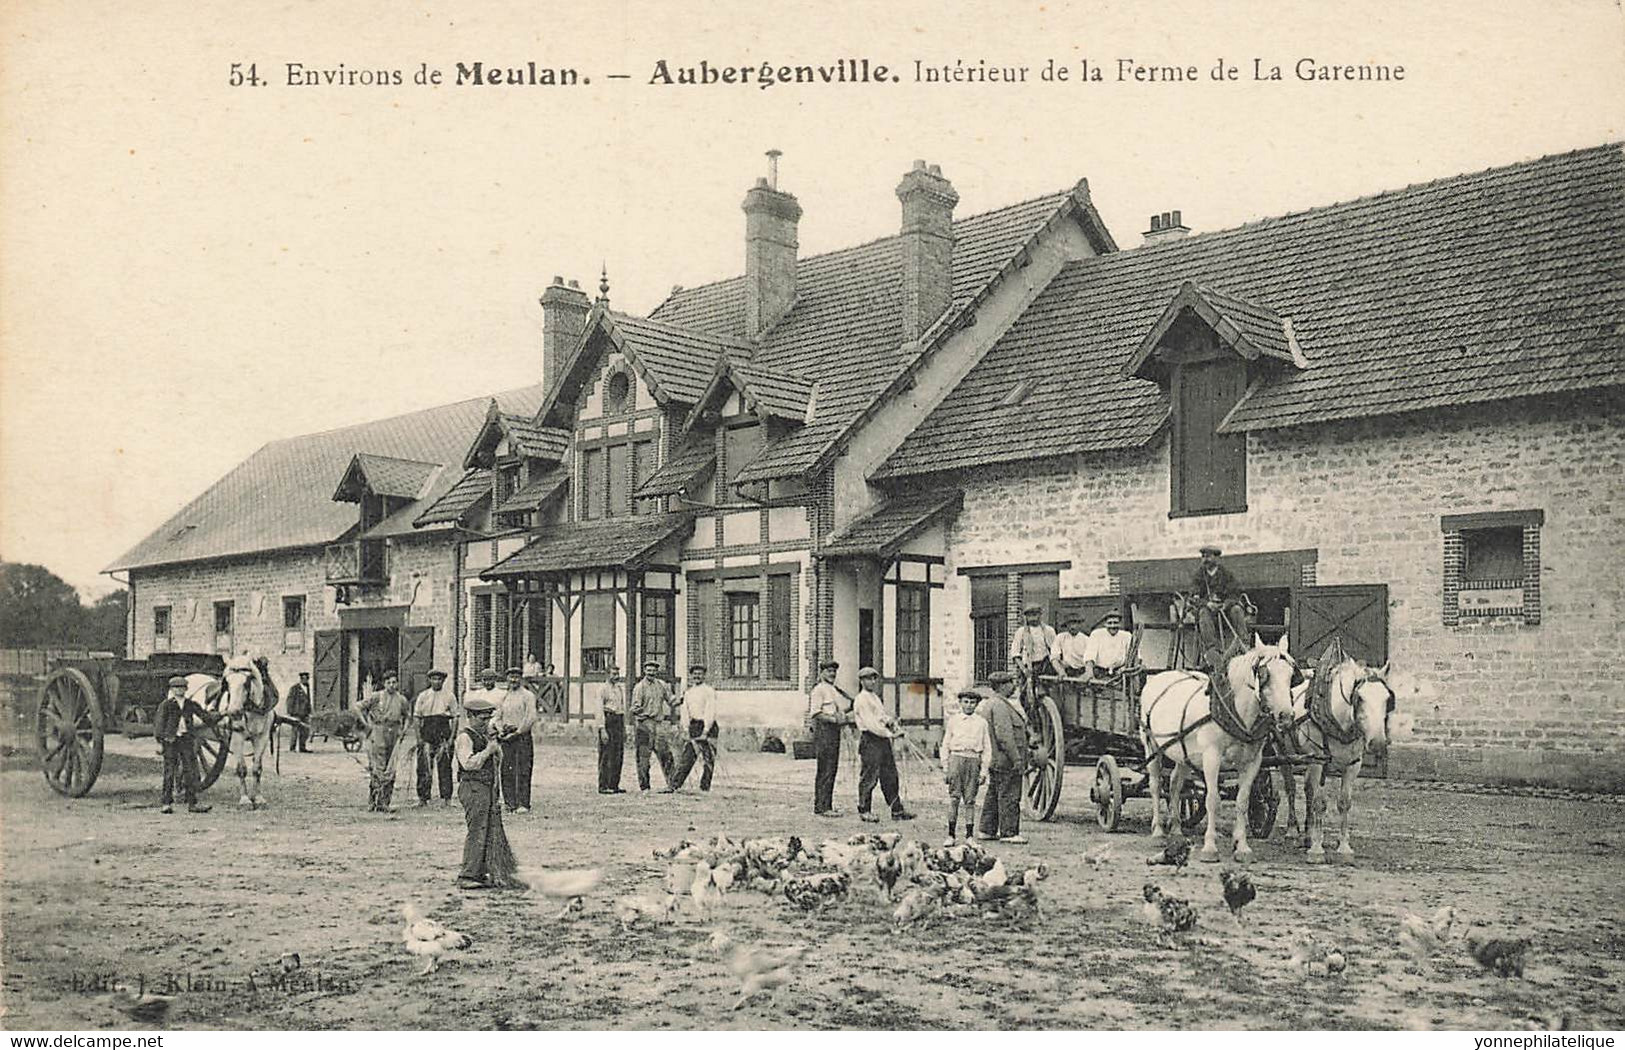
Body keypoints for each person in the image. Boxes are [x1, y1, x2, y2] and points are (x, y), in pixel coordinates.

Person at [455, 696, 525, 891]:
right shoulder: (465, 737)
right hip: (472, 787)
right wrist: (488, 750)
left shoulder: (484, 736)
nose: (485, 722)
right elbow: (468, 764)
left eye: (487, 719)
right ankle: (467, 874)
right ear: (470, 717)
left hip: (485, 787)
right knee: (477, 830)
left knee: (486, 829)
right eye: (481, 719)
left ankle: (481, 871)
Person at [852, 666, 915, 823]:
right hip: (870, 740)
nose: (872, 682)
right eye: (868, 679)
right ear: (861, 681)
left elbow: (879, 716)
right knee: (869, 776)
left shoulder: (874, 697)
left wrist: (890, 721)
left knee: (890, 775)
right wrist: (891, 734)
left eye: (874, 679)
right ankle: (864, 810)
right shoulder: (861, 699)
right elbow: (871, 724)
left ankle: (897, 810)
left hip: (882, 741)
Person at [976, 671, 1030, 844]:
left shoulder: (992, 704)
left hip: (996, 759)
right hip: (1005, 759)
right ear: (1002, 686)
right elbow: (1004, 736)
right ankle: (1009, 832)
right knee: (1010, 795)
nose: (1013, 686)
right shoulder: (999, 706)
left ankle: (987, 829)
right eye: (1010, 683)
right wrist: (1017, 759)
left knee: (994, 793)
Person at [154, 675, 213, 814]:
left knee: (190, 771)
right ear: (172, 690)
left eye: (181, 687)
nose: (179, 690)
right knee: (169, 772)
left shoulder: (190, 704)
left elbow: (205, 716)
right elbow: (159, 724)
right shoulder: (166, 705)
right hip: (170, 741)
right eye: (176, 688)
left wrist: (223, 714)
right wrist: (159, 742)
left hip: (186, 740)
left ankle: (192, 803)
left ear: (186, 689)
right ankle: (166, 803)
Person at [940, 688, 991, 846]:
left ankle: (969, 836)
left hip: (973, 760)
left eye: (972, 702)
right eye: (966, 702)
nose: (969, 705)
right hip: (956, 759)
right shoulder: (954, 721)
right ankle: (951, 835)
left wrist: (983, 771)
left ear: (977, 704)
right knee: (954, 798)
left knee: (970, 800)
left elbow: (987, 748)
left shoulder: (981, 723)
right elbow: (945, 744)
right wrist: (946, 767)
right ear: (960, 703)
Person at [807, 659, 853, 817]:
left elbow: (838, 710)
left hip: (834, 731)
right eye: (829, 671)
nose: (832, 674)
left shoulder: (834, 690)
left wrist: (849, 709)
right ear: (822, 673)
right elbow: (816, 713)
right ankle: (821, 807)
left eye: (834, 671)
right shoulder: (819, 690)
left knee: (831, 768)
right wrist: (834, 720)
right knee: (825, 768)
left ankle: (827, 805)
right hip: (824, 731)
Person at [358, 670, 410, 812]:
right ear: (384, 683)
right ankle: (373, 801)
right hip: (378, 732)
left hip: (394, 734)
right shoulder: (377, 696)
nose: (392, 685)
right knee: (377, 767)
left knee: (390, 768)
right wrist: (366, 725)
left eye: (394, 682)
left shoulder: (401, 699)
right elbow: (358, 707)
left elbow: (407, 716)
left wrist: (403, 730)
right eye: (389, 682)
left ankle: (385, 802)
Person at [1193, 545, 1249, 671]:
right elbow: (1194, 597)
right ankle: (1212, 650)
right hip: (1208, 611)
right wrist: (1207, 604)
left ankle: (1244, 644)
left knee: (1237, 610)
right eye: (1203, 556)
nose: (1205, 559)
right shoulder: (1198, 576)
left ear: (1217, 558)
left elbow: (1235, 593)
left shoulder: (1227, 574)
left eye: (1208, 556)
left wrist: (1226, 604)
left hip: (1225, 611)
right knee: (1203, 613)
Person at [670, 664, 718, 793]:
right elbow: (685, 712)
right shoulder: (688, 693)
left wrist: (706, 730)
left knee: (708, 759)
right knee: (687, 757)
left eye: (700, 674)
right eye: (694, 674)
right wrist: (685, 729)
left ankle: (704, 787)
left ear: (704, 675)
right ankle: (675, 785)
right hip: (694, 726)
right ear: (691, 676)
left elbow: (710, 711)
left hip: (707, 725)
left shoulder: (709, 691)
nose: (697, 676)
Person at [630, 659, 677, 793]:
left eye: (654, 670)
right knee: (643, 757)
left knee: (666, 754)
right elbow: (634, 707)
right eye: (649, 670)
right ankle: (645, 786)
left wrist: (681, 700)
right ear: (645, 671)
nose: (651, 673)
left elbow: (671, 701)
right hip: (644, 724)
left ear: (657, 671)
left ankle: (672, 784)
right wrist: (637, 710)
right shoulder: (639, 687)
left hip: (658, 724)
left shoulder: (662, 685)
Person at [495, 667, 537, 814]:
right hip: (507, 736)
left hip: (522, 736)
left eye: (516, 677)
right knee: (507, 770)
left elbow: (530, 717)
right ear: (507, 679)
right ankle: (509, 802)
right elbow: (497, 716)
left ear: (521, 678)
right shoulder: (504, 697)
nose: (513, 680)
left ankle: (523, 803)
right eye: (511, 677)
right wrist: (500, 730)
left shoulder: (528, 696)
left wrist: (519, 731)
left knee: (523, 769)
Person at [413, 669, 457, 807]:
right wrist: (419, 738)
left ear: (443, 681)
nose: (437, 681)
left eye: (439, 679)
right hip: (427, 730)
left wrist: (451, 739)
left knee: (445, 765)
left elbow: (455, 718)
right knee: (424, 766)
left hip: (443, 730)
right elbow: (416, 717)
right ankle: (423, 798)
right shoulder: (423, 696)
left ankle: (446, 798)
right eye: (434, 679)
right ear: (429, 680)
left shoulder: (449, 696)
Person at [596, 666, 627, 794]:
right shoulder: (602, 689)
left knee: (618, 754)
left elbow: (621, 708)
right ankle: (604, 785)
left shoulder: (619, 688)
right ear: (607, 674)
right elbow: (599, 710)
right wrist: (602, 729)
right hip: (608, 720)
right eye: (614, 674)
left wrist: (623, 727)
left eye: (617, 673)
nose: (616, 676)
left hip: (618, 721)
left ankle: (614, 784)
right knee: (606, 754)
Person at [1009, 604, 1057, 681]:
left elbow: (1055, 650)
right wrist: (1024, 669)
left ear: (1040, 615)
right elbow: (1015, 653)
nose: (1033, 618)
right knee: (1027, 691)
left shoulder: (1049, 630)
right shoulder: (1021, 632)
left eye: (1035, 615)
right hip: (1028, 667)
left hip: (1045, 666)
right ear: (1026, 617)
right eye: (1029, 616)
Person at [1082, 610, 1132, 679]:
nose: (1113, 626)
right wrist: (1089, 671)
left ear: (1120, 624)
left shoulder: (1127, 636)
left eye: (1115, 623)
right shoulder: (1096, 634)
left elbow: (1133, 657)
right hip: (1101, 672)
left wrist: (1125, 668)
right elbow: (1090, 656)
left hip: (1120, 672)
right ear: (1105, 624)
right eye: (1110, 623)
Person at [283, 671, 313, 752]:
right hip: (297, 712)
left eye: (307, 679)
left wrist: (310, 711)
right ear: (301, 679)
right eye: (304, 679)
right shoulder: (294, 688)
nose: (306, 681)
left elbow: (308, 700)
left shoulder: (307, 687)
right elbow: (289, 700)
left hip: (305, 713)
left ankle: (302, 747)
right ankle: (292, 748)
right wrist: (290, 712)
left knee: (305, 731)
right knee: (295, 730)